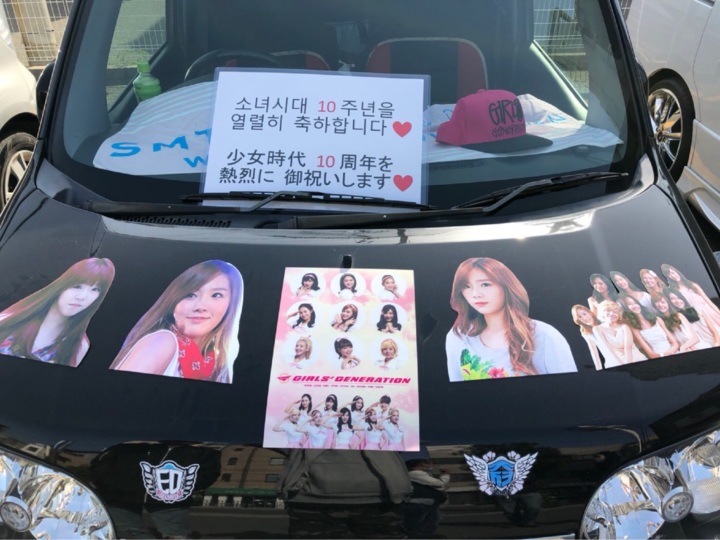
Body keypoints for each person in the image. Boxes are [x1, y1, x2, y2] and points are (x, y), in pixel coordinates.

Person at [109, 260, 242, 383]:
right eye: (190, 295)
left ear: (231, 305)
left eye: (216, 295)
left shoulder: (216, 366)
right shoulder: (162, 341)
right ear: (173, 302)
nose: (200, 306)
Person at [446, 257, 576, 381]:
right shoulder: (459, 337)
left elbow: (569, 388)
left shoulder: (545, 336)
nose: (475, 294)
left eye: (485, 284)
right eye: (466, 286)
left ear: (506, 286)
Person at [0, 258, 115, 367]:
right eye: (77, 286)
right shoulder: (9, 321)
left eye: (95, 289)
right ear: (62, 286)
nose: (82, 297)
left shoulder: (79, 346)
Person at [619, 293, 679, 357]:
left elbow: (675, 343)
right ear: (626, 309)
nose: (634, 306)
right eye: (629, 304)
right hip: (659, 356)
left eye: (635, 303)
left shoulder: (657, 319)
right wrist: (664, 355)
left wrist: (670, 352)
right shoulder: (635, 328)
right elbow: (650, 354)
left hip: (673, 352)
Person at [662, 263, 720, 329]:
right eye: (669, 275)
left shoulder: (692, 285)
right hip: (698, 318)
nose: (673, 276)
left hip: (709, 312)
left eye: (673, 273)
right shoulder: (674, 291)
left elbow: (707, 301)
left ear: (677, 272)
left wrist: (718, 312)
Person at [403, 459, 449, 538]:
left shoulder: (419, 474)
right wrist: (445, 475)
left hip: (426, 502)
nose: (431, 466)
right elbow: (439, 483)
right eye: (428, 464)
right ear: (421, 465)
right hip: (420, 503)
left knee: (432, 521)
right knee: (421, 524)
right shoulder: (416, 473)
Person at [592, 300, 646, 368]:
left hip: (633, 355)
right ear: (602, 313)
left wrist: (628, 364)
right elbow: (608, 349)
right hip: (615, 358)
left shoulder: (624, 327)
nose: (612, 314)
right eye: (608, 311)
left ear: (619, 315)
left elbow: (628, 348)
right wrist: (620, 364)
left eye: (615, 312)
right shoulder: (597, 329)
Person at [571, 304, 603, 370]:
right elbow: (593, 351)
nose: (584, 318)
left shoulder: (603, 321)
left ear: (590, 313)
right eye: (580, 317)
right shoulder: (585, 332)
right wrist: (599, 370)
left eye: (584, 314)